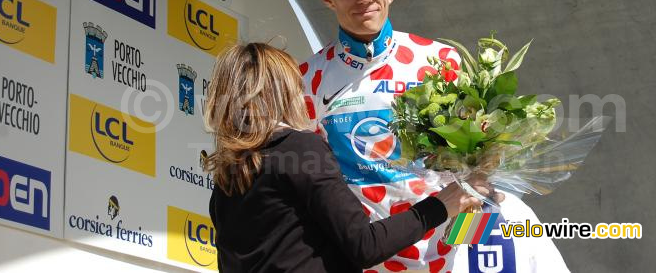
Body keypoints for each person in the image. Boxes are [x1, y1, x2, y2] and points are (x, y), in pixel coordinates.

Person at [302, 0, 570, 272]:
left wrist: (479, 190)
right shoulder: (306, 79)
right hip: (361, 258)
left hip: (444, 252)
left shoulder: (437, 59)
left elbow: (478, 156)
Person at [205, 42, 491, 272]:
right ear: (284, 91)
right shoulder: (300, 147)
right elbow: (364, 245)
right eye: (296, 85)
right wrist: (441, 205)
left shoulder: (228, 175)